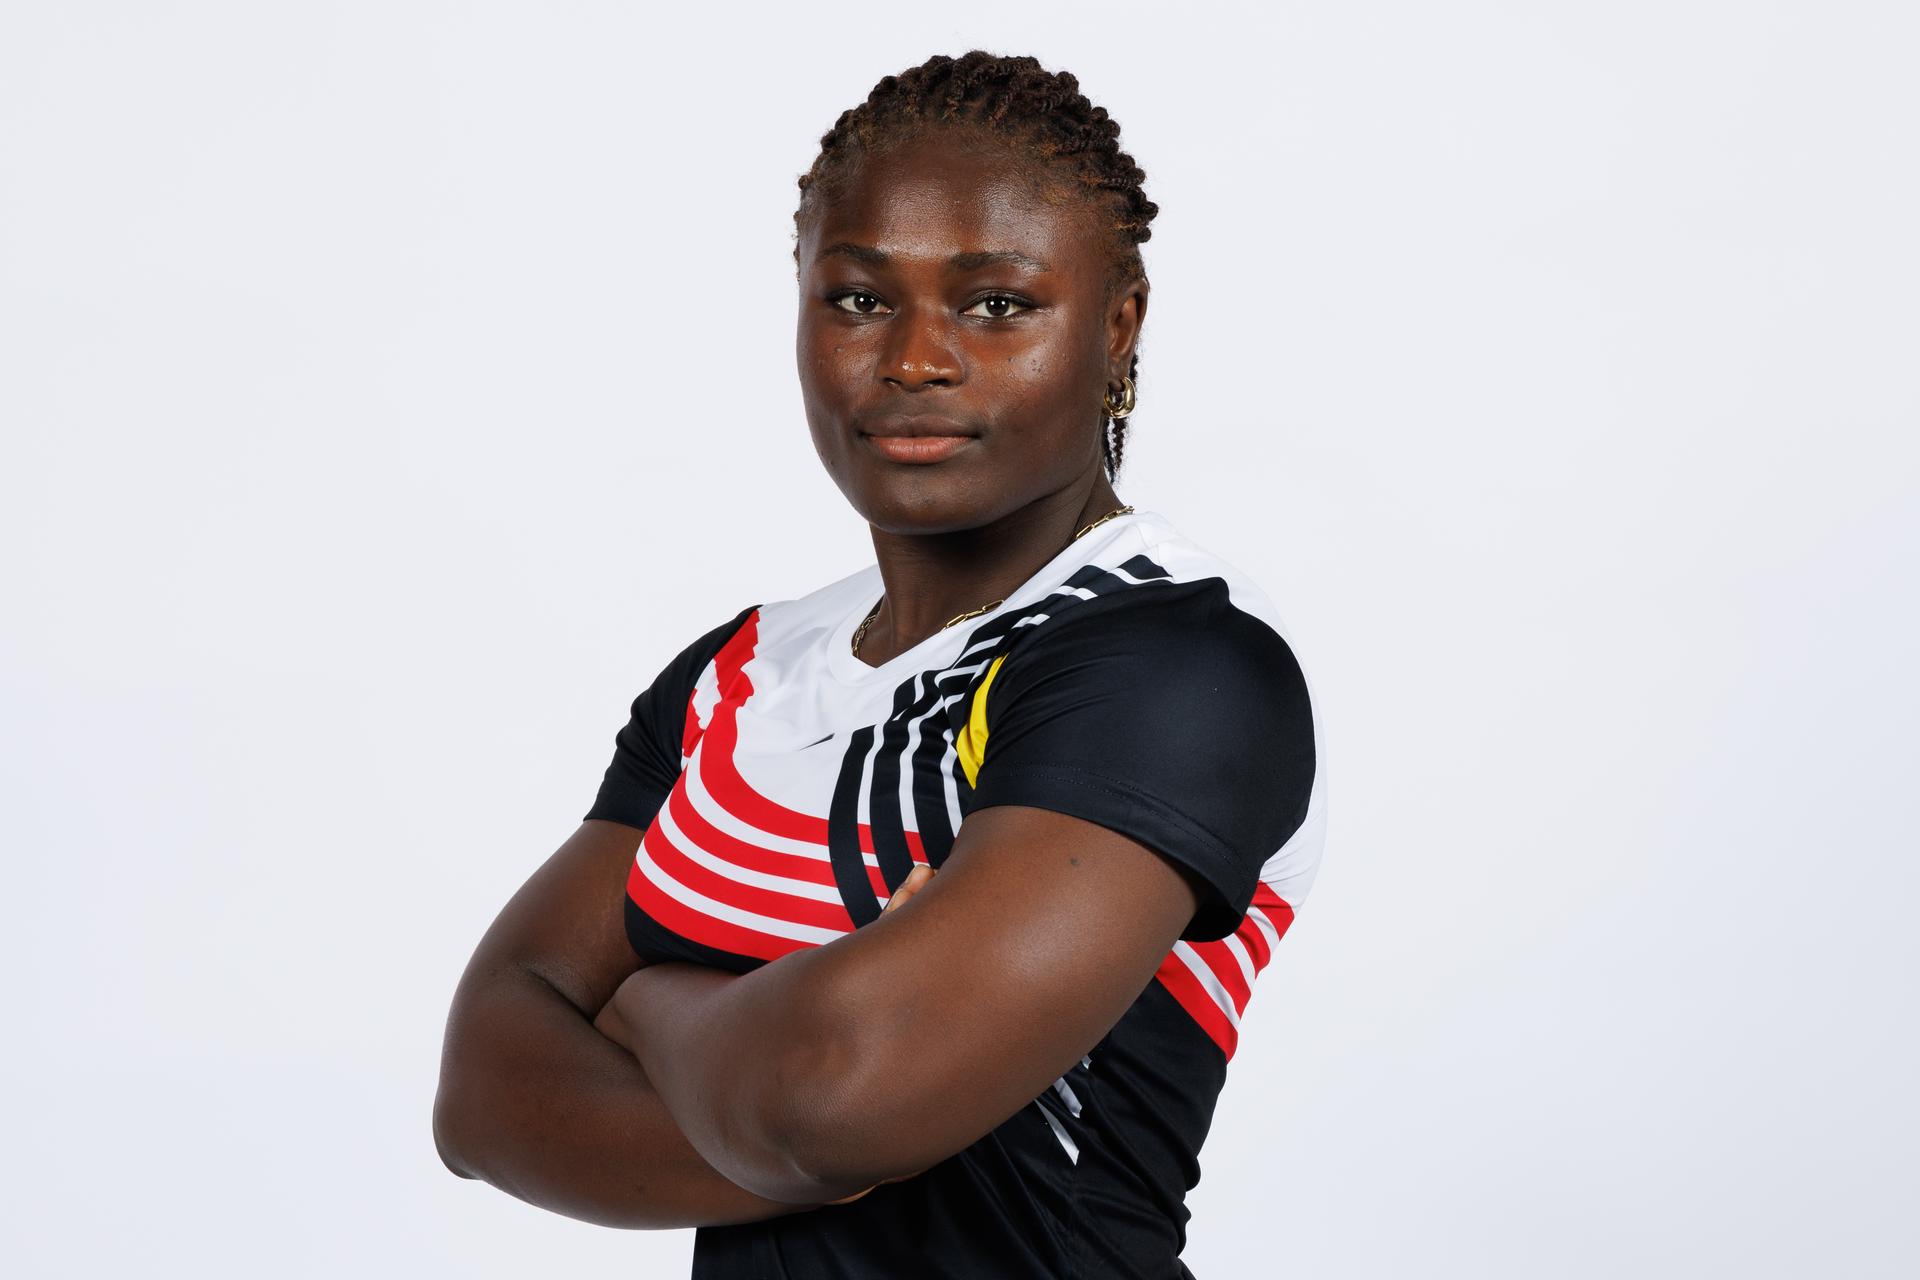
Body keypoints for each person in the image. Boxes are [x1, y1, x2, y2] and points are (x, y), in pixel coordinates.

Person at [433, 49, 1327, 1279]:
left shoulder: (1172, 664)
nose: (913, 358)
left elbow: (838, 1099)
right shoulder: (735, 672)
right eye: (858, 298)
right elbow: (483, 1092)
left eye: (997, 303)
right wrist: (783, 1091)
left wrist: (648, 998)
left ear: (1116, 324)